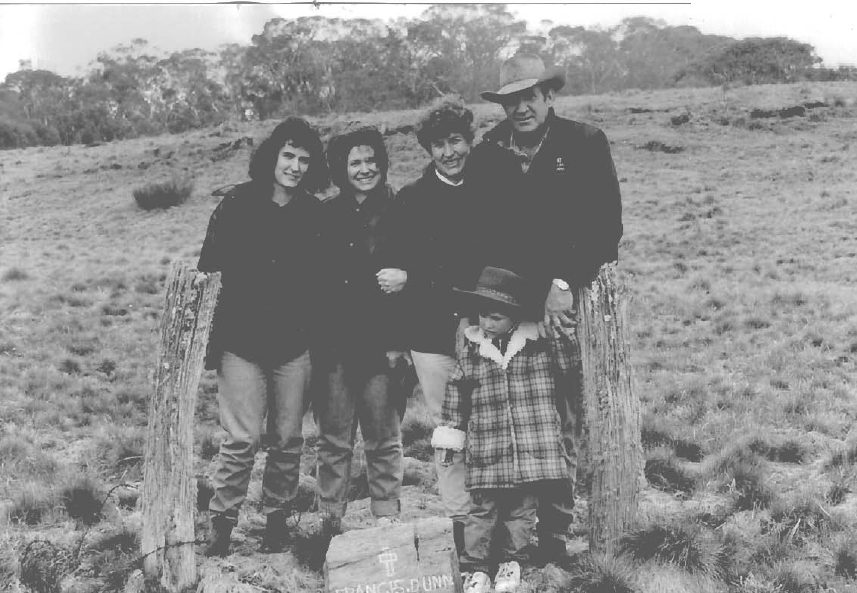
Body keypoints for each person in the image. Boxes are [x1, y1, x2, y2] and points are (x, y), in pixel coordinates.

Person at [479, 53, 624, 563]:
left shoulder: (584, 143)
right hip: (510, 309)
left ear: (548, 96)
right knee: (519, 420)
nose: (521, 108)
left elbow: (607, 227)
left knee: (563, 420)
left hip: (566, 306)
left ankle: (556, 539)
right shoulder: (490, 153)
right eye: (511, 100)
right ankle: (509, 540)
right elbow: (483, 233)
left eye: (529, 98)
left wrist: (564, 280)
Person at [378, 97, 523, 554]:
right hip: (429, 336)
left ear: (470, 139)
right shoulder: (411, 200)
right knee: (448, 430)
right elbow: (395, 275)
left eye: (456, 140)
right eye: (438, 145)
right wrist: (399, 337)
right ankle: (462, 521)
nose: (449, 152)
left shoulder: (493, 188)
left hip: (486, 330)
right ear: (428, 149)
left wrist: (421, 280)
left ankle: (499, 523)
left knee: (493, 425)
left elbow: (485, 264)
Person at [197, 116, 328, 557]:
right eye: (288, 156)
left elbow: (321, 284)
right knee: (241, 439)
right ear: (272, 156)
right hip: (241, 345)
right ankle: (222, 522)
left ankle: (277, 519)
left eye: (304, 160)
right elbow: (208, 271)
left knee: (288, 438)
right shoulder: (237, 204)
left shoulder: (313, 212)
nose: (294, 166)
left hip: (294, 346)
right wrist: (208, 345)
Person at [431, 266, 581, 593]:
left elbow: (569, 367)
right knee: (481, 510)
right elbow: (456, 390)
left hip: (530, 450)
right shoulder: (472, 350)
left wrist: (562, 337)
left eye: (495, 317)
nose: (486, 323)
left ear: (514, 316)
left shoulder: (539, 344)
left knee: (521, 512)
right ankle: (476, 568)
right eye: (482, 316)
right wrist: (451, 432)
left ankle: (513, 562)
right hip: (487, 447)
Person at [313, 124, 406, 536]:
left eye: (371, 160)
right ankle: (328, 519)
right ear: (341, 168)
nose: (365, 169)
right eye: (355, 162)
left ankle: (386, 517)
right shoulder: (326, 214)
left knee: (383, 437)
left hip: (384, 344)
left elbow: (416, 271)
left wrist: (400, 342)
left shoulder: (403, 208)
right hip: (335, 346)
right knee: (334, 439)